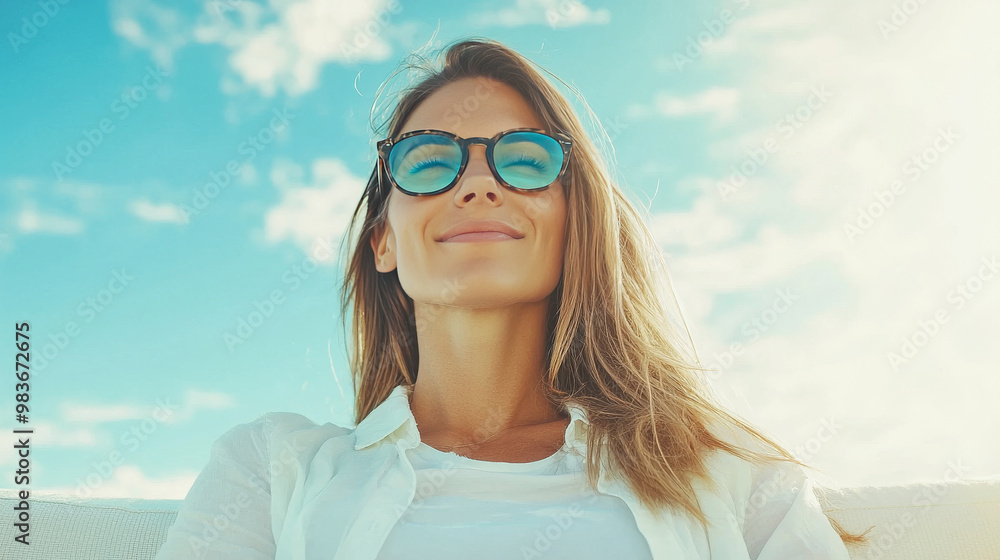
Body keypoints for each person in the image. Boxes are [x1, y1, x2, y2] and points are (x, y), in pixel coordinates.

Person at [155, 37, 871, 559]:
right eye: (430, 161)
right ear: (383, 242)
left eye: (524, 159)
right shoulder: (272, 467)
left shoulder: (733, 476)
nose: (477, 184)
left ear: (574, 223)